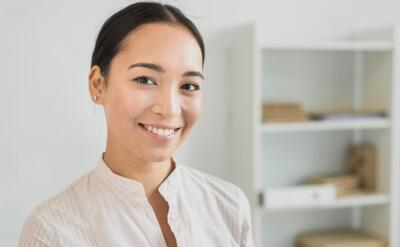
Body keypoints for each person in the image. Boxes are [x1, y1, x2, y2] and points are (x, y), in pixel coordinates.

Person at [18, 2, 253, 246]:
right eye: (145, 79)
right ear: (98, 85)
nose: (171, 108)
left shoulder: (230, 206)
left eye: (189, 86)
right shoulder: (51, 231)